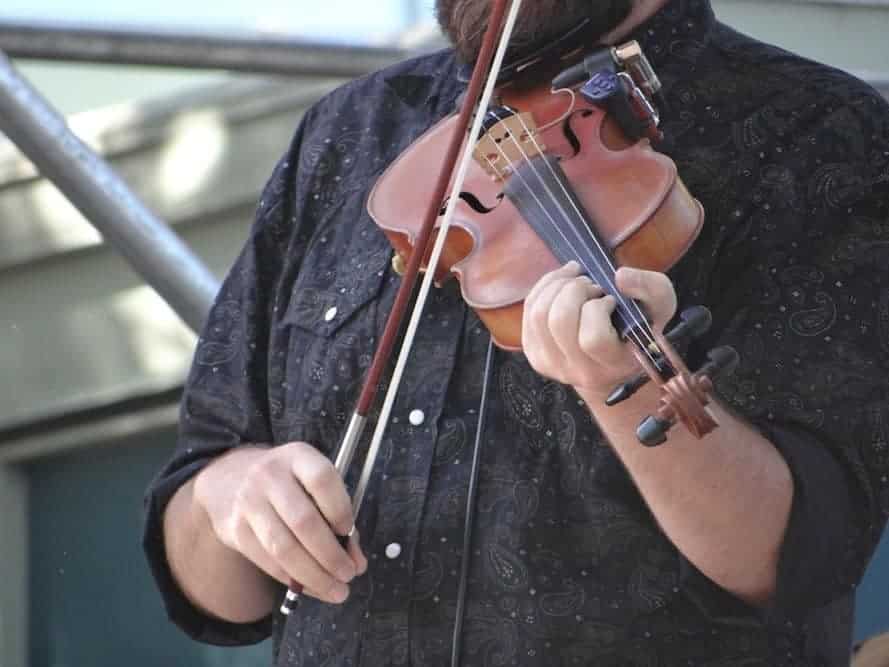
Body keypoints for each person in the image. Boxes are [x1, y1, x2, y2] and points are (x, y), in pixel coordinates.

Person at [142, 0, 889, 664]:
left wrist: (620, 391)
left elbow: (802, 557)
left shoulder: (817, 134)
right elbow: (211, 582)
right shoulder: (350, 132)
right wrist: (228, 490)